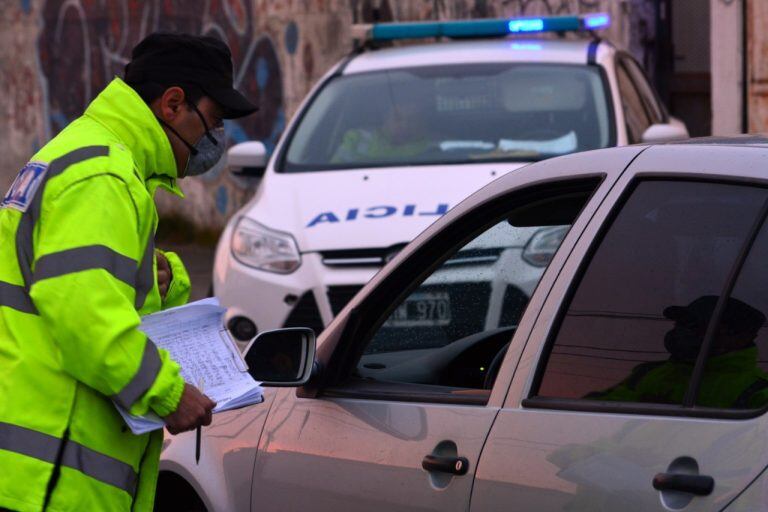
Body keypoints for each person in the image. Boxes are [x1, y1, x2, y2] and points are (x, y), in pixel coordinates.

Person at [0, 33, 257, 511]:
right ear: (173, 104)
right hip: (54, 477)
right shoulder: (102, 178)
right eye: (213, 122)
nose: (214, 141)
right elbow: (88, 319)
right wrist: (169, 393)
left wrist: (167, 276)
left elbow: (85, 285)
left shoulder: (92, 157)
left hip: (53, 462)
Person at [588, 295, 768, 409]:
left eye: (696, 326)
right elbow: (595, 413)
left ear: (741, 337)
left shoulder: (757, 394)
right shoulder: (648, 373)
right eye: (680, 323)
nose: (682, 331)